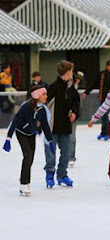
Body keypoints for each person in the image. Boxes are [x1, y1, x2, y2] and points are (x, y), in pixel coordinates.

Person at [3, 86, 55, 195]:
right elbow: (15, 122)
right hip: (21, 133)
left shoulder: (42, 109)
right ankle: (24, 183)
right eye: (43, 94)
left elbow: (45, 126)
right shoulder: (26, 107)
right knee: (28, 156)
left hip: (31, 134)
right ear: (37, 96)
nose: (46, 96)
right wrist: (8, 138)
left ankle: (23, 176)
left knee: (31, 158)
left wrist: (50, 141)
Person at [44, 60, 80, 188]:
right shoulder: (53, 87)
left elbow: (76, 103)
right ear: (68, 71)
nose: (73, 73)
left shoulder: (71, 89)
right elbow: (44, 104)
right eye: (72, 70)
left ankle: (62, 174)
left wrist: (75, 113)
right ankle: (50, 173)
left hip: (66, 126)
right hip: (53, 126)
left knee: (66, 151)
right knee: (50, 152)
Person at [82, 60, 110, 140]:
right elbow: (93, 83)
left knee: (109, 117)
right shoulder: (101, 75)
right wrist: (86, 92)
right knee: (103, 116)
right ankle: (103, 132)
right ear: (107, 66)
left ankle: (108, 133)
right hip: (103, 98)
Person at [69, 71, 83, 167]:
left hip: (72, 118)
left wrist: (75, 113)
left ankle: (71, 157)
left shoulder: (75, 93)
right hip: (61, 118)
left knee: (72, 138)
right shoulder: (59, 89)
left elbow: (79, 105)